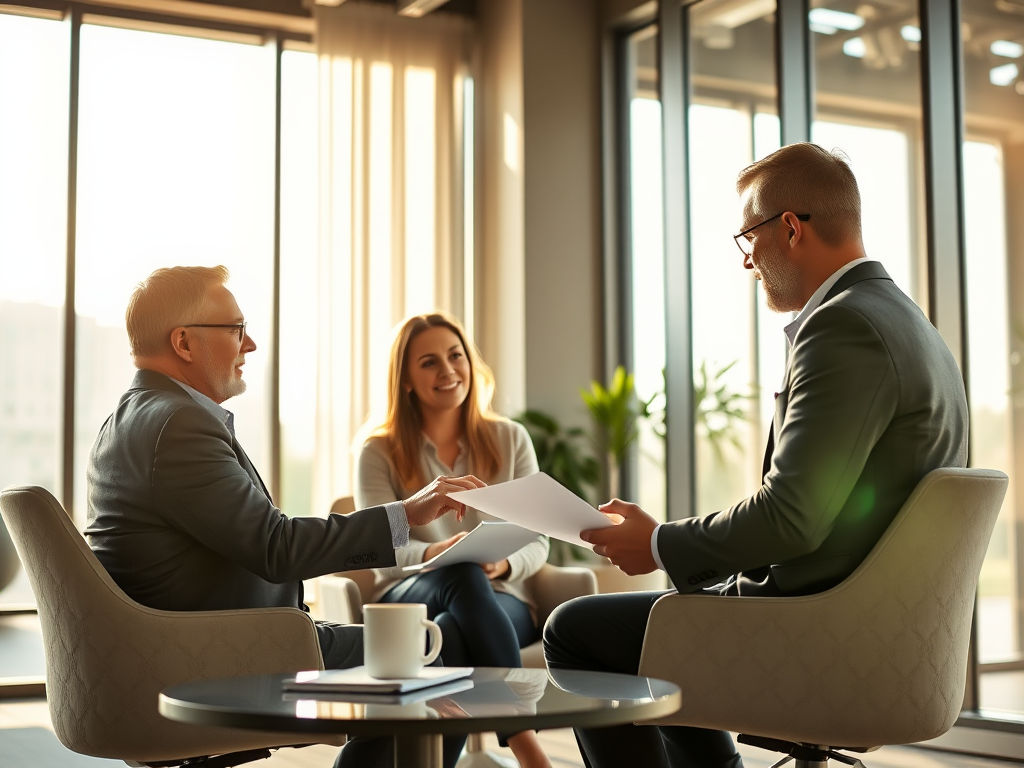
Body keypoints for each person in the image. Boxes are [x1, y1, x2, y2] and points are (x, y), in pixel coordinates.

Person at [543, 143, 970, 768]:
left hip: (820, 633)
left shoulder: (843, 327)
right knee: (675, 620)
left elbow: (792, 519)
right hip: (868, 622)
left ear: (790, 228)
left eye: (749, 238)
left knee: (573, 631)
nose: (749, 262)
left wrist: (659, 543)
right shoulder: (911, 325)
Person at [85, 266, 484, 768]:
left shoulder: (135, 417)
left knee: (417, 660)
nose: (249, 344)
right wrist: (407, 512)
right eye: (235, 329)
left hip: (181, 647)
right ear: (184, 342)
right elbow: (276, 549)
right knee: (428, 666)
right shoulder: (177, 425)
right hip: (215, 657)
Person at [355, 312, 552, 768]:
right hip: (410, 594)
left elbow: (539, 540)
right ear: (405, 379)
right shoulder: (377, 451)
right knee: (457, 572)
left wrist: (502, 566)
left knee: (448, 635)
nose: (447, 370)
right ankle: (528, 748)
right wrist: (432, 553)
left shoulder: (510, 438)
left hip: (499, 599)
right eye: (428, 362)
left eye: (455, 355)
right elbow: (376, 551)